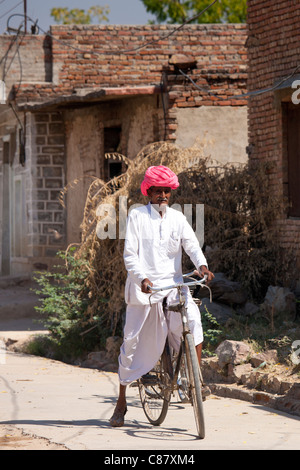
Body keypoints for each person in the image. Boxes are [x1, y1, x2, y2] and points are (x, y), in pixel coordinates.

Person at [109, 165, 214, 427]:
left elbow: (191, 244)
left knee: (193, 321)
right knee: (131, 344)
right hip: (144, 290)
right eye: (158, 191)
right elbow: (130, 255)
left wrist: (201, 265)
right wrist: (141, 278)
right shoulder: (137, 216)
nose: (163, 196)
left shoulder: (177, 218)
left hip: (174, 287)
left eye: (167, 191)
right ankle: (121, 403)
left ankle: (196, 382)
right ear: (149, 192)